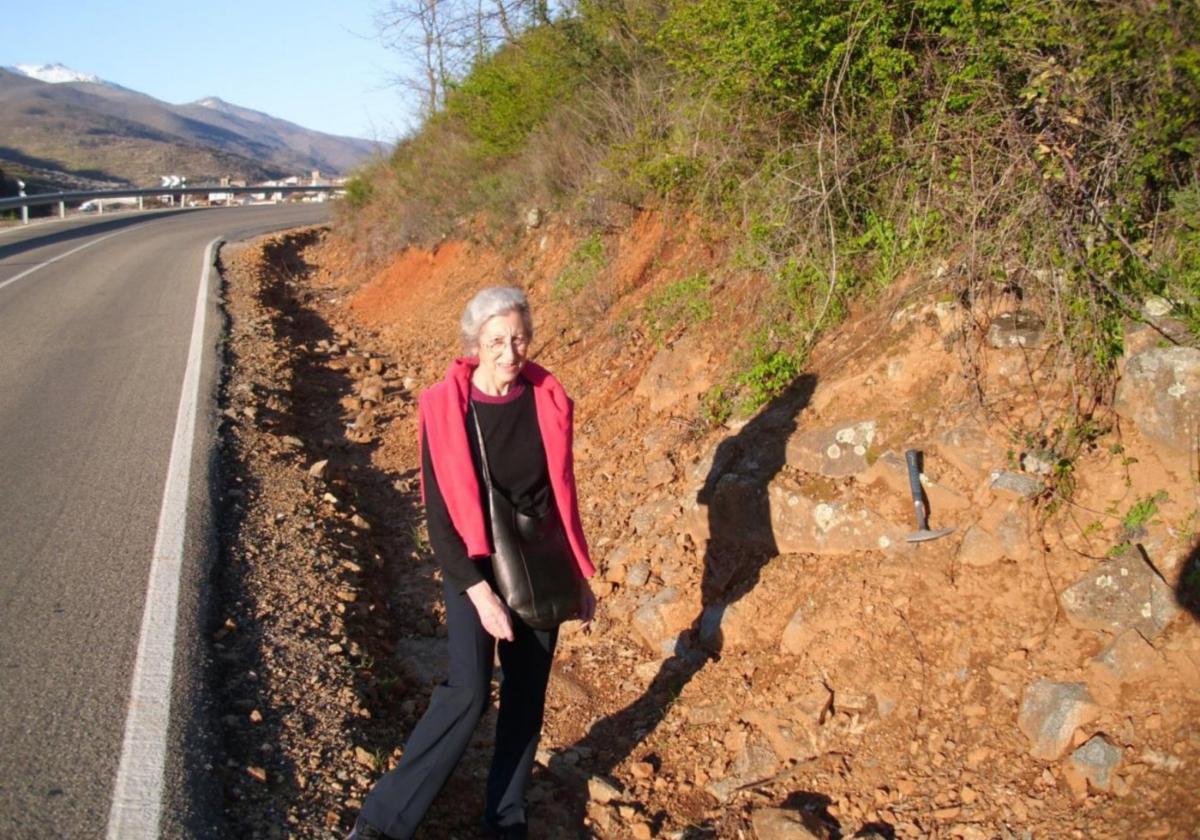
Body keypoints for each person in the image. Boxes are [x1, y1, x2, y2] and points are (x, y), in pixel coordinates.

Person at [350, 287, 597, 840]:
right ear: (474, 345)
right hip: (473, 566)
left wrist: (578, 571)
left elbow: (561, 494)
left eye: (519, 338)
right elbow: (438, 519)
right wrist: (480, 596)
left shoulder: (548, 398)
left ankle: (505, 819)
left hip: (537, 561)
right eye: (497, 341)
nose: (511, 352)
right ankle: (382, 822)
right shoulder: (445, 407)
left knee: (527, 694)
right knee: (466, 692)